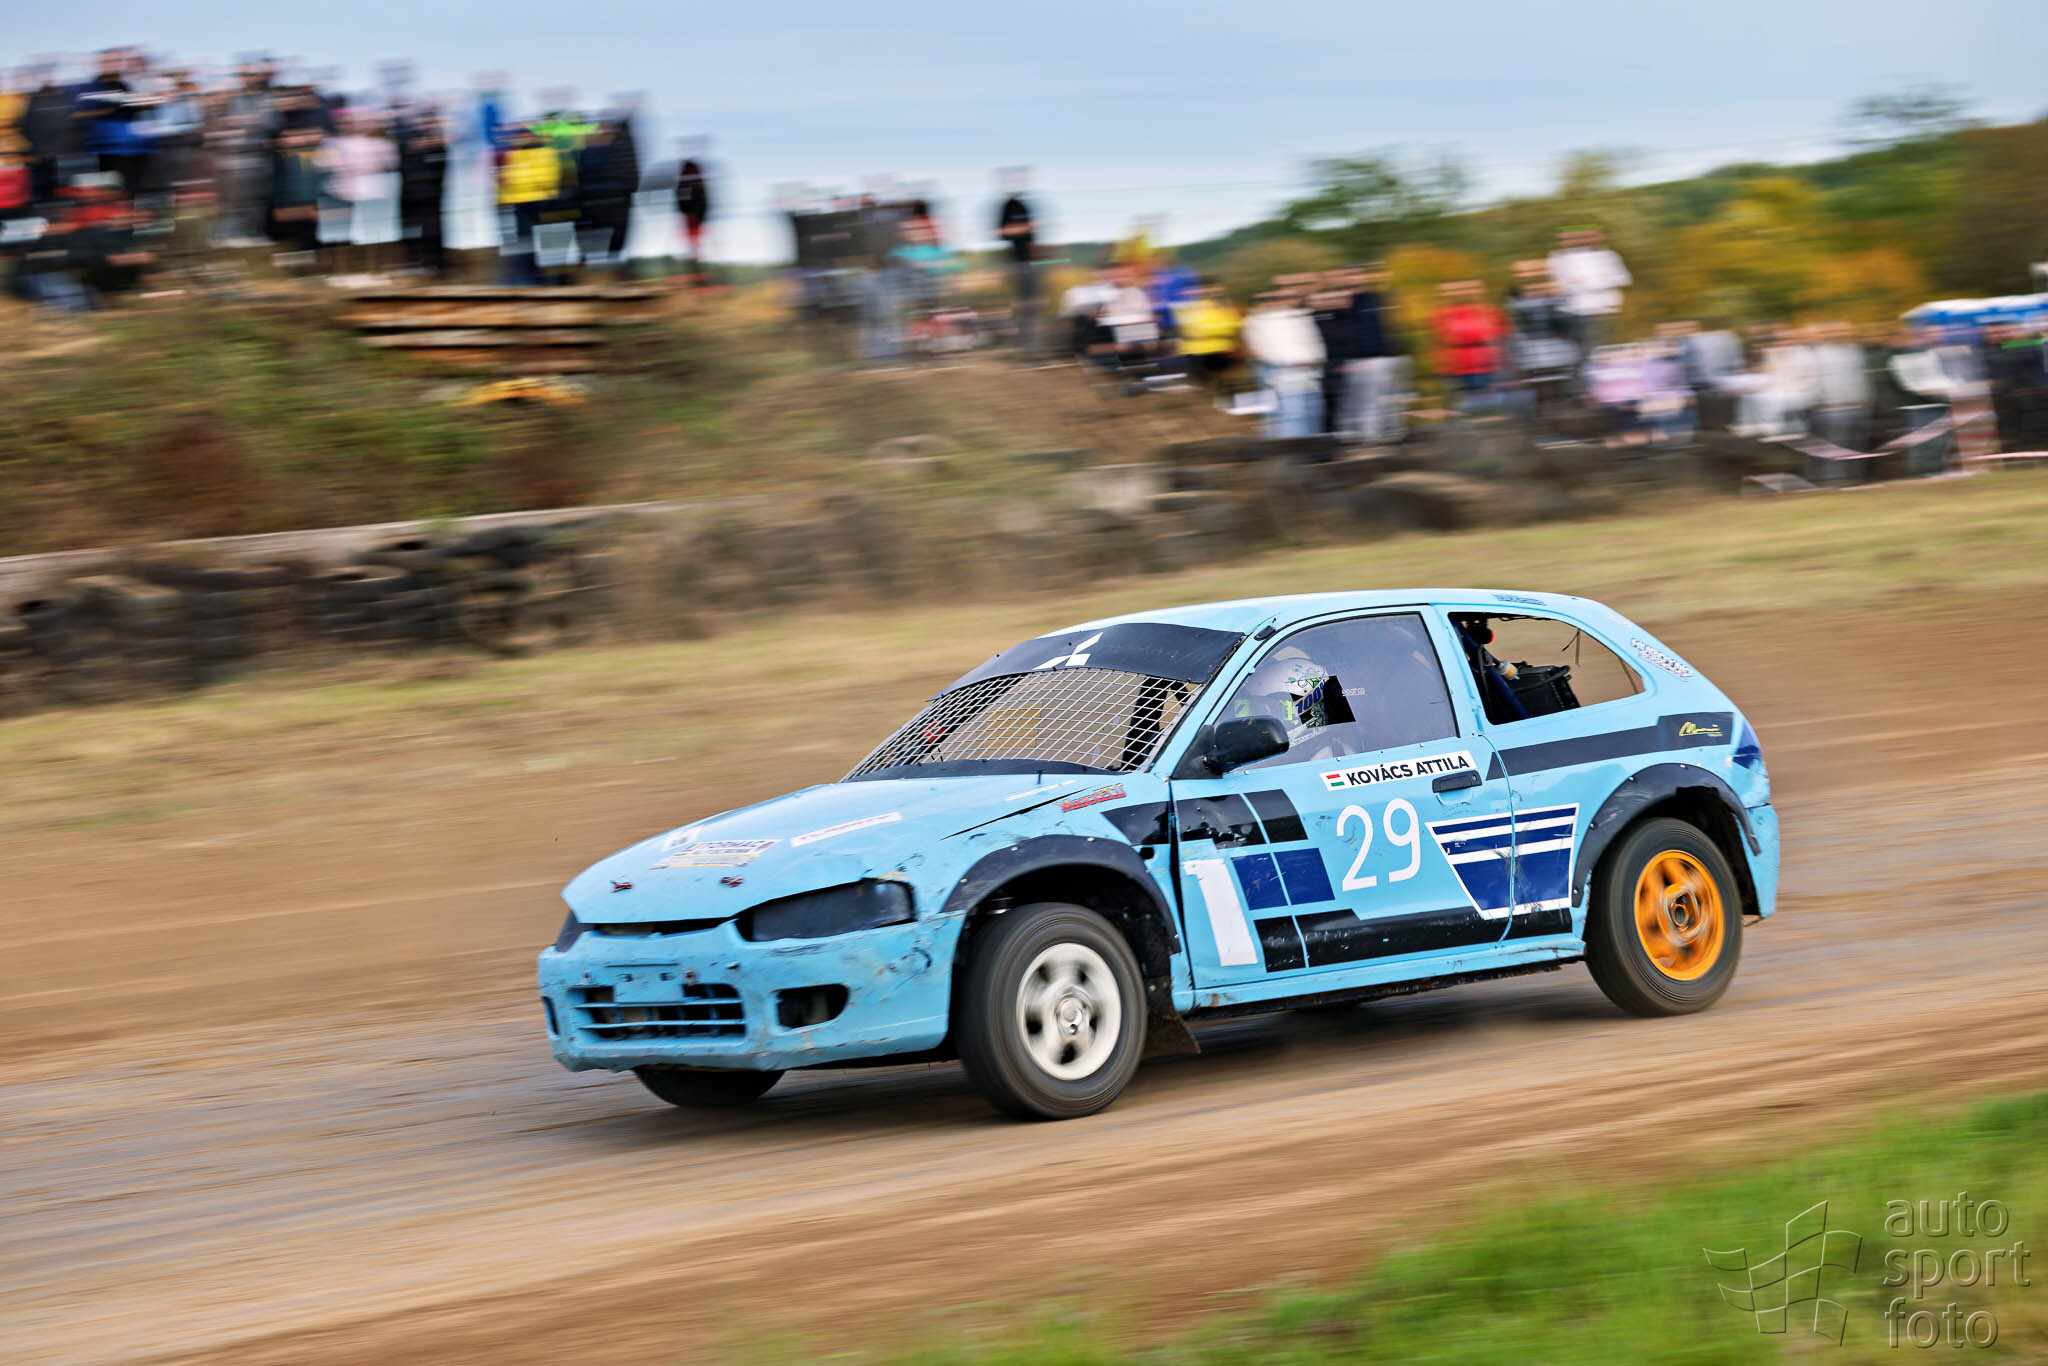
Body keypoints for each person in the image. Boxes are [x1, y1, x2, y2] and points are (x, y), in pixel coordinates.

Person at [1242, 287, 1324, 437]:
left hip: (1308, 374)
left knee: (1309, 412)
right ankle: (1292, 446)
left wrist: (1314, 360)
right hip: (1284, 373)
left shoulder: (1299, 317)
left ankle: (1308, 445)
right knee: (1291, 415)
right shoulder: (1260, 320)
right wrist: (1289, 362)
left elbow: (1314, 343)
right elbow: (1260, 350)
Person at [1342, 263, 1408, 443]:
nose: (1356, 278)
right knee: (1369, 401)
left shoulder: (1379, 297)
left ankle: (1392, 435)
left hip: (1388, 356)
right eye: (1352, 275)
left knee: (1390, 399)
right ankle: (1370, 437)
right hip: (1366, 358)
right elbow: (1355, 331)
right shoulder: (1354, 301)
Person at [1547, 227, 1631, 358]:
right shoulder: (1557, 258)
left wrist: (1586, 283)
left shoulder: (1608, 255)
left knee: (1612, 349)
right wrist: (1600, 281)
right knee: (1587, 352)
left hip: (1607, 310)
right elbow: (1561, 286)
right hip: (1578, 312)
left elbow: (1624, 279)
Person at [1433, 279, 1505, 405]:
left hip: (1486, 368)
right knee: (1465, 407)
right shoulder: (1442, 314)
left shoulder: (1488, 311)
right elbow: (1445, 338)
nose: (1461, 293)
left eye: (1469, 289)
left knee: (1488, 405)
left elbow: (1496, 333)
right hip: (1456, 370)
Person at [397, 114, 449, 276]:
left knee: (431, 231)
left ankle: (434, 265)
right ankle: (417, 262)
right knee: (412, 231)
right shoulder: (410, 144)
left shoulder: (438, 147)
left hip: (429, 198)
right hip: (412, 197)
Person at [993, 166, 1038, 352]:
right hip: (1014, 263)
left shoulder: (1024, 205)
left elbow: (1033, 236)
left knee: (1031, 302)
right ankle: (1020, 339)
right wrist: (1025, 228)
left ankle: (1030, 339)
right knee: (1019, 302)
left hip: (1030, 262)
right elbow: (1000, 232)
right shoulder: (1007, 206)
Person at [1174, 277, 1242, 387]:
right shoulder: (1191, 306)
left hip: (1221, 350)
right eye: (1208, 289)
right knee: (1206, 383)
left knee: (1222, 382)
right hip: (1199, 352)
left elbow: (1235, 325)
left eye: (1214, 289)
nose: (1212, 292)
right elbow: (1188, 328)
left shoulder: (1226, 305)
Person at [673, 136, 711, 286]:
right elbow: (684, 196)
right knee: (694, 248)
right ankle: (697, 278)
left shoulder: (688, 175)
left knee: (694, 248)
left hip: (693, 217)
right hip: (692, 217)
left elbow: (681, 196)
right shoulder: (692, 176)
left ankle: (698, 278)